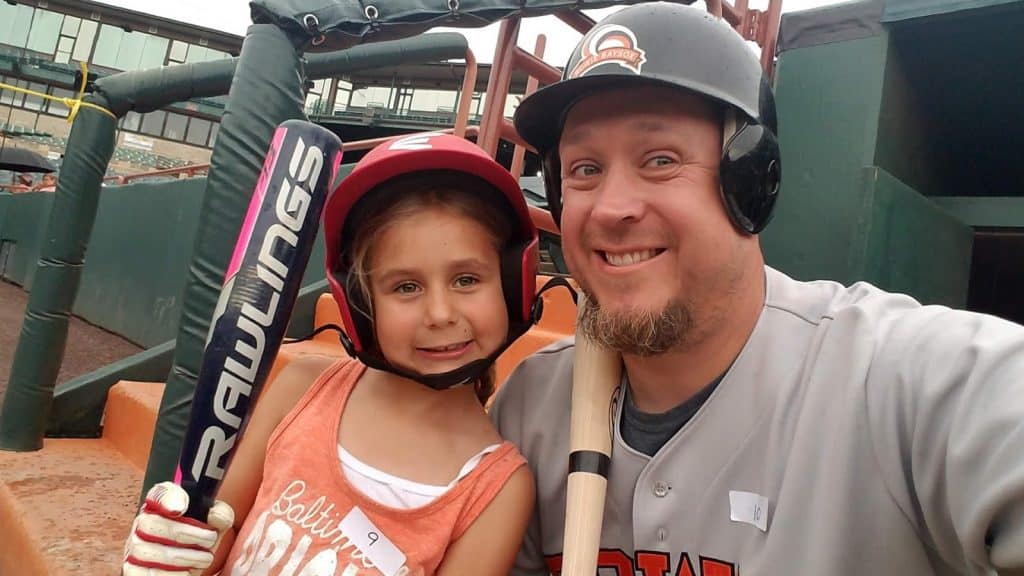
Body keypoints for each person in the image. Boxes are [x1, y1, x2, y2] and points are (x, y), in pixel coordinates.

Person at [489, 3, 1024, 575]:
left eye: (660, 160)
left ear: (752, 183)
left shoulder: (899, 381)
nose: (612, 208)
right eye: (585, 169)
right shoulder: (529, 407)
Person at [122, 133, 540, 575]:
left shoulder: (496, 489)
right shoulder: (304, 388)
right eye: (406, 287)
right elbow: (218, 534)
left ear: (513, 283)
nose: (439, 313)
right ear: (360, 304)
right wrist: (171, 555)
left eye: (467, 280)